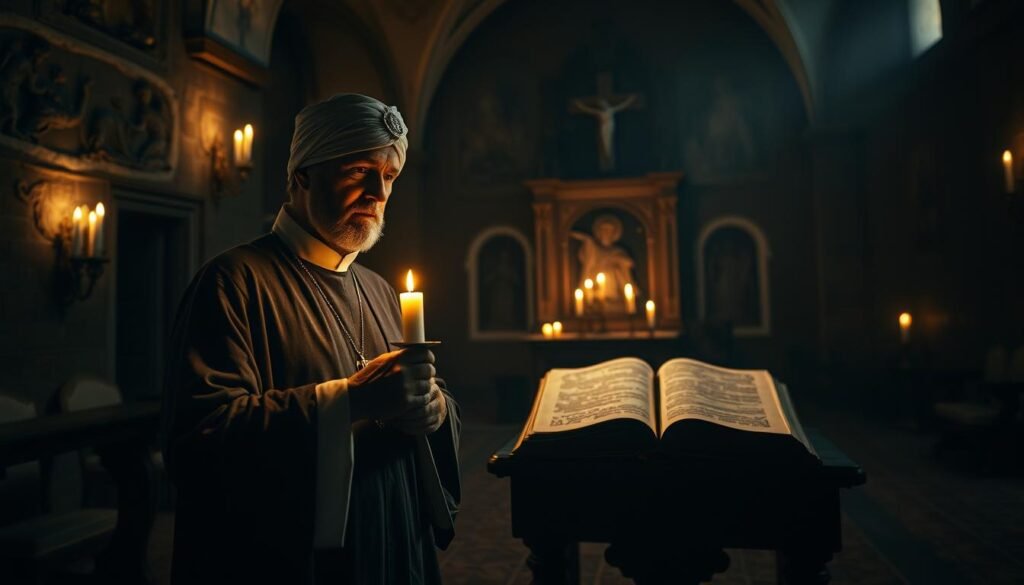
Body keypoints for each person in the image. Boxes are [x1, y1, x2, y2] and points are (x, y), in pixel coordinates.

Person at [160, 93, 461, 585]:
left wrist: (436, 410)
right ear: (302, 175)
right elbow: (201, 439)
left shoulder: (381, 290)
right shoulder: (233, 281)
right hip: (294, 557)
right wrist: (349, 401)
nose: (377, 192)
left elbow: (426, 398)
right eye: (358, 170)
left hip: (392, 535)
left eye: (388, 177)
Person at [570, 213, 637, 306]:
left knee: (611, 272)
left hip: (614, 282)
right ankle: (596, 301)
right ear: (599, 232)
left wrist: (615, 259)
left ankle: (613, 300)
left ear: (614, 233)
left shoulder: (617, 250)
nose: (606, 233)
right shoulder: (594, 249)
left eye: (609, 230)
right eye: (604, 230)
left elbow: (629, 263)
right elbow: (586, 257)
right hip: (595, 282)